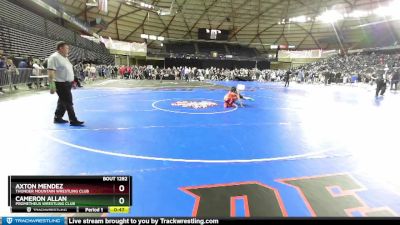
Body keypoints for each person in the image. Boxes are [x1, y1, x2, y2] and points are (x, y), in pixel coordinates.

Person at [48, 41, 84, 126]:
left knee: (62, 101)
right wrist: (52, 85)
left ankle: (57, 117)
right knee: (68, 101)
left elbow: (68, 70)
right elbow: (50, 72)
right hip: (60, 83)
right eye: (67, 48)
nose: (68, 50)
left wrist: (73, 81)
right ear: (61, 48)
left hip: (67, 83)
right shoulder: (54, 57)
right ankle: (73, 120)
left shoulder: (65, 57)